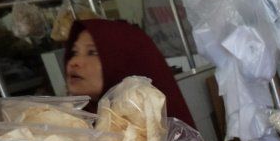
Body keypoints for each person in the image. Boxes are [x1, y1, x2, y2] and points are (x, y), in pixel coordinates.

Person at [64, 19, 197, 128]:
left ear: (126, 63)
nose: (74, 62)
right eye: (74, 52)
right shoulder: (71, 126)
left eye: (92, 52)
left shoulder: (160, 139)